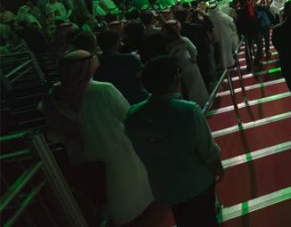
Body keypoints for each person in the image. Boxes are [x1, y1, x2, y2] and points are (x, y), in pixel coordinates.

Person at [40, 50, 153, 226]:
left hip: (80, 155)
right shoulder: (103, 90)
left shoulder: (53, 95)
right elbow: (127, 116)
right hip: (114, 150)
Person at [125, 56, 222, 227]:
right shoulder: (188, 111)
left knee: (182, 218)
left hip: (164, 184)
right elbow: (207, 150)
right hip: (196, 183)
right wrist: (218, 168)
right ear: (174, 80)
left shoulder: (134, 114)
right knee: (206, 219)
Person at [94, 30, 148, 105]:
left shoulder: (95, 62)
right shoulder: (129, 58)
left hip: (108, 102)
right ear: (117, 43)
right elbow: (144, 75)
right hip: (135, 99)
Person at [163, 21, 209, 106]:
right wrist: (193, 58)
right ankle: (201, 102)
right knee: (196, 85)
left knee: (186, 88)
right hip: (188, 63)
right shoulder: (183, 39)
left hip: (179, 68)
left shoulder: (167, 43)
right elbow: (193, 50)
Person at [207, 0, 239, 70]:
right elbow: (232, 26)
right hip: (226, 37)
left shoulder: (207, 18)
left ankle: (221, 65)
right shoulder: (223, 16)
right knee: (226, 51)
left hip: (215, 38)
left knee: (219, 52)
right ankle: (229, 63)